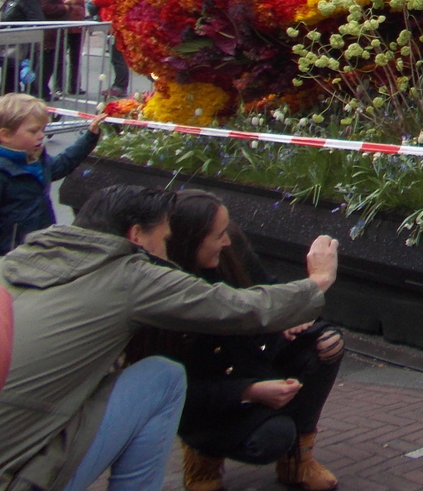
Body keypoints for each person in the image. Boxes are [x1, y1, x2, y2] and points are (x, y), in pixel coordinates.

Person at [0, 184, 337, 491]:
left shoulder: (9, 262)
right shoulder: (132, 276)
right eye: (163, 237)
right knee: (163, 376)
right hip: (17, 475)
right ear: (136, 236)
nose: (165, 247)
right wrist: (318, 280)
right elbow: (241, 308)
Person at [144, 190, 343, 491]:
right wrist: (248, 391)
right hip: (205, 391)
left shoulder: (229, 244)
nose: (227, 240)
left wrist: (289, 317)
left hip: (247, 356)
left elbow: (265, 288)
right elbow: (181, 389)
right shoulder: (161, 289)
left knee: (327, 343)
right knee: (272, 437)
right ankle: (202, 459)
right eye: (218, 235)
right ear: (188, 240)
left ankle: (298, 461)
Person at [0, 93, 103, 255]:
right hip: (8, 253)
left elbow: (62, 163)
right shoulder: (0, 172)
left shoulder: (35, 160)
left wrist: (90, 137)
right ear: (5, 135)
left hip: (40, 243)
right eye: (33, 131)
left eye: (42, 130)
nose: (41, 136)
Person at [0, 0, 43, 97]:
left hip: (22, 50)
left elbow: (36, 21)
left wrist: (18, 34)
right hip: (11, 47)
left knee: (20, 89)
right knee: (9, 87)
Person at [26, 0, 67, 100]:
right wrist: (64, 7)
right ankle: (41, 92)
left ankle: (39, 91)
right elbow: (46, 8)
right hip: (48, 34)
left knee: (40, 64)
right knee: (46, 65)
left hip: (42, 33)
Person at [90, 0, 131, 95]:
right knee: (119, 57)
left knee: (118, 58)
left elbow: (96, 0)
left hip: (115, 28)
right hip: (120, 26)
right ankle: (119, 85)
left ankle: (120, 86)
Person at [53, 0, 88, 97]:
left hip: (77, 24)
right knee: (60, 57)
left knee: (76, 57)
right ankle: (59, 86)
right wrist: (66, 3)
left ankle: (74, 86)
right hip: (63, 24)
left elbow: (80, 1)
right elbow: (55, 4)